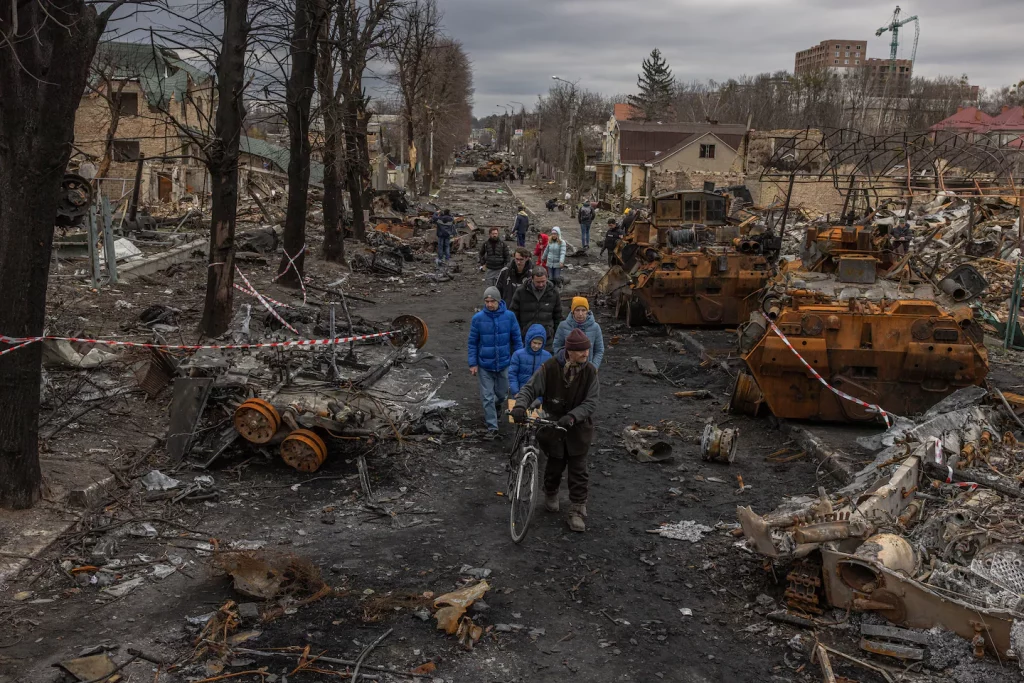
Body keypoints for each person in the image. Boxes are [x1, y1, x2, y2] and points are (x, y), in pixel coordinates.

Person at [512, 328, 599, 532]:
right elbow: (529, 388)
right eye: (581, 351)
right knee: (554, 465)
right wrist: (519, 405)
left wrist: (572, 416)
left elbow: (591, 402)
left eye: (587, 350)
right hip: (553, 428)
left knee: (579, 471)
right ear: (569, 351)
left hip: (578, 430)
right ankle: (551, 492)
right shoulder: (550, 367)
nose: (586, 354)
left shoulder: (590, 372)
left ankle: (577, 511)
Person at [468, 286, 523, 439]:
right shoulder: (478, 319)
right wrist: (473, 363)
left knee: (502, 394)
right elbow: (473, 342)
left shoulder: (509, 317)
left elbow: (517, 339)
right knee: (487, 396)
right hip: (485, 364)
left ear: (499, 301)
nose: (490, 304)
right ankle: (492, 427)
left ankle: (496, 405)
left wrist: (519, 358)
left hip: (504, 363)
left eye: (492, 301)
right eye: (487, 301)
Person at [510, 265, 562, 341]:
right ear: (532, 279)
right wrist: (520, 332)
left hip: (547, 338)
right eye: (538, 282)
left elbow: (558, 316)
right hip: (526, 337)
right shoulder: (521, 292)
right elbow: (513, 314)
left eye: (543, 281)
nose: (541, 285)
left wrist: (556, 336)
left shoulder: (554, 293)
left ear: (547, 278)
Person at [553, 297, 605, 368]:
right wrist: (563, 363)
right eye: (577, 310)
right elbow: (557, 347)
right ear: (573, 311)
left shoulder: (595, 327)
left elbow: (599, 350)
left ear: (587, 311)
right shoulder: (563, 326)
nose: (580, 314)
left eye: (583, 310)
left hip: (588, 369)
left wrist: (593, 367)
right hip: (567, 368)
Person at [509, 324, 552, 398]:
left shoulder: (548, 357)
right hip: (520, 394)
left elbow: (549, 378)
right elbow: (512, 374)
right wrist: (515, 392)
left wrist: (543, 396)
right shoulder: (518, 355)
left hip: (539, 396)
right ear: (529, 341)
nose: (536, 346)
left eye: (539, 344)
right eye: (534, 343)